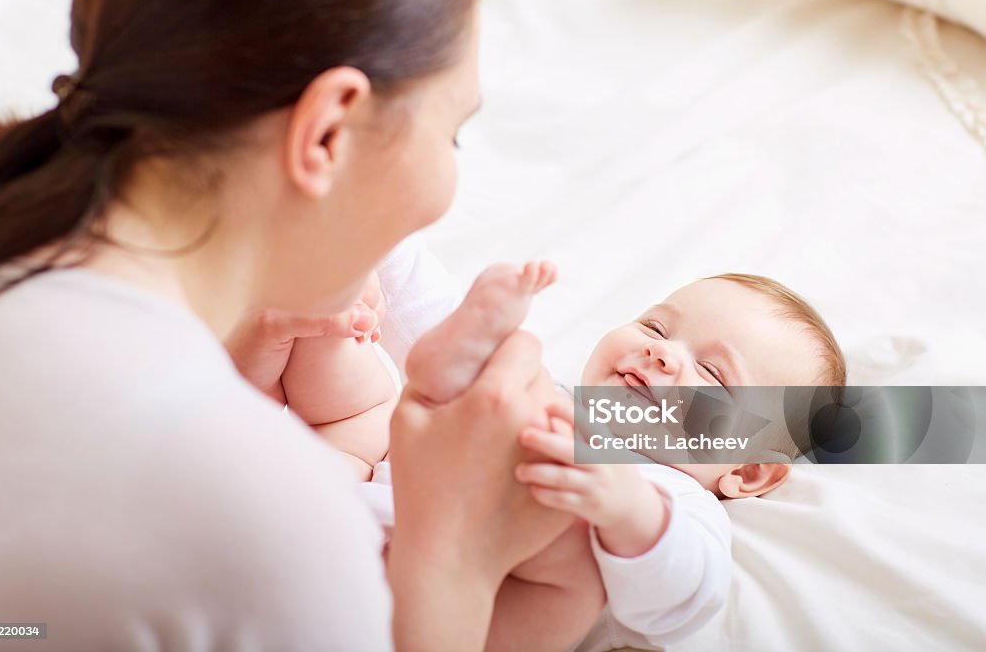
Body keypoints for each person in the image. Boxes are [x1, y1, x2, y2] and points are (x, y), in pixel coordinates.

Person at [0, 0, 576, 650]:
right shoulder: (273, 526)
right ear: (326, 133)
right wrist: (457, 560)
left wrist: (693, 427)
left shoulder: (2, 222)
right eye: (454, 133)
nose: (445, 187)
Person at [282, 264, 846, 651]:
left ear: (746, 471)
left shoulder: (675, 501)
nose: (662, 352)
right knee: (367, 382)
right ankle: (332, 303)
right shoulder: (542, 391)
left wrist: (629, 509)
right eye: (655, 325)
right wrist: (389, 248)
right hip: (351, 503)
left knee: (573, 552)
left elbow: (683, 602)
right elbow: (425, 306)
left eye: (715, 374)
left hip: (435, 619)